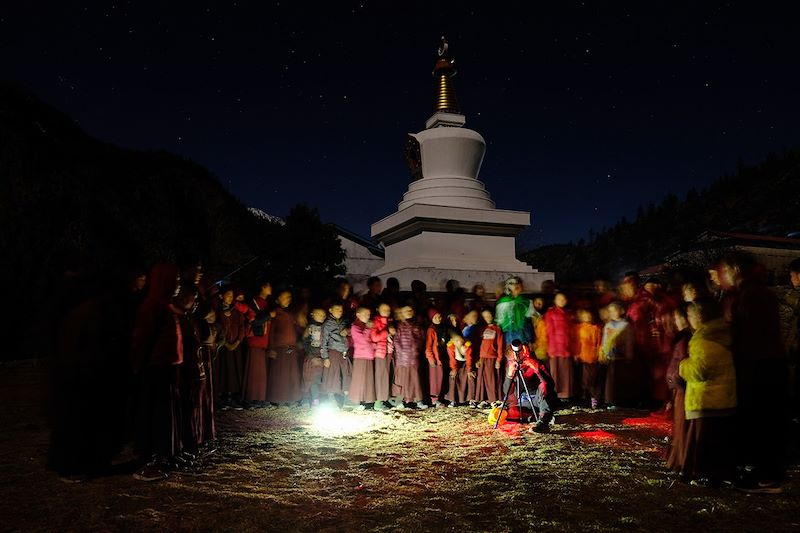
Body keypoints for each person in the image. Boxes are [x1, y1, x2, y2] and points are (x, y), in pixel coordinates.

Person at [719, 252, 788, 492]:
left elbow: (746, 331)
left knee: (760, 420)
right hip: (767, 361)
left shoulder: (749, 295)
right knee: (764, 420)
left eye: (724, 271)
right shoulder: (758, 292)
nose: (721, 276)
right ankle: (766, 472)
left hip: (757, 364)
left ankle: (766, 477)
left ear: (735, 270)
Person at [129, 263, 184, 481]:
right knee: (156, 415)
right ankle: (150, 460)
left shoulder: (165, 305)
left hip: (167, 371)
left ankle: (164, 456)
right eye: (175, 280)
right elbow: (142, 340)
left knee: (166, 415)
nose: (178, 285)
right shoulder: (152, 306)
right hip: (156, 371)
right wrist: (137, 367)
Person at [679, 299, 737, 487]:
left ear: (699, 316)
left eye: (690, 315)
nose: (688, 320)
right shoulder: (722, 334)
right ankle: (718, 473)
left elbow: (699, 370)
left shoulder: (703, 340)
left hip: (705, 399)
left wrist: (682, 365)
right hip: (723, 398)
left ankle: (706, 474)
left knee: (705, 442)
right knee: (720, 441)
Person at [503, 340, 558, 433]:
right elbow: (507, 391)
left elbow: (550, 384)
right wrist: (509, 376)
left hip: (539, 399)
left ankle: (543, 422)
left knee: (543, 385)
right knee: (507, 413)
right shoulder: (513, 366)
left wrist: (537, 370)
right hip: (524, 402)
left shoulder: (536, 363)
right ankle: (535, 417)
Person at [666, 305, 691, 474]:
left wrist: (675, 381)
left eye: (676, 318)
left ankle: (682, 461)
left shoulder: (684, 340)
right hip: (678, 387)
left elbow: (680, 362)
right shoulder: (682, 338)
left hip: (682, 388)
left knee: (682, 426)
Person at [267, 290, 302, 405]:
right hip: (279, 348)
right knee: (280, 375)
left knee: (291, 374)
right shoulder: (276, 313)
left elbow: (296, 329)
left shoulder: (291, 314)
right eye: (285, 297)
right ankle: (278, 399)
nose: (288, 299)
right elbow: (271, 332)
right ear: (278, 299)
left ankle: (291, 398)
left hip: (291, 347)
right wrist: (271, 348)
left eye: (289, 297)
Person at [241, 280, 273, 407]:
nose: (271, 288)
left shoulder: (266, 303)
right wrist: (269, 315)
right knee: (255, 370)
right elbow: (254, 320)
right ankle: (251, 398)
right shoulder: (254, 302)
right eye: (269, 285)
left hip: (264, 341)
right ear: (263, 286)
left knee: (261, 371)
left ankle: (260, 397)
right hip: (256, 340)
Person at [599, 302, 636, 409]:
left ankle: (620, 400)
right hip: (611, 356)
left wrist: (629, 354)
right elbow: (605, 340)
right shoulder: (608, 325)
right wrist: (603, 353)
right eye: (610, 311)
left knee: (619, 379)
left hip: (621, 356)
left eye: (614, 310)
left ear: (621, 311)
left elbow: (629, 341)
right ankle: (611, 400)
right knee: (610, 380)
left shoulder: (625, 325)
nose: (612, 313)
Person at [215, 287, 246, 410]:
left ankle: (231, 397)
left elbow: (241, 327)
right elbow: (217, 328)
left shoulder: (236, 312)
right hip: (223, 347)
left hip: (235, 346)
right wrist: (226, 343)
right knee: (224, 371)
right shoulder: (217, 311)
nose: (230, 298)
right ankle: (221, 398)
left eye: (232, 296)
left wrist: (237, 341)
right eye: (228, 295)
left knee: (234, 371)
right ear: (221, 296)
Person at [391, 305, 426, 409]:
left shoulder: (416, 325)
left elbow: (421, 338)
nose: (409, 312)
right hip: (402, 359)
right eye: (406, 311)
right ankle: (401, 400)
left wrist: (416, 347)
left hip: (413, 357)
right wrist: (401, 351)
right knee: (402, 379)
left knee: (415, 379)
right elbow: (396, 340)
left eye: (411, 310)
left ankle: (418, 400)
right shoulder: (399, 326)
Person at [320, 302, 351, 405]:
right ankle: (331, 398)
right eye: (337, 309)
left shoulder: (344, 322)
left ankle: (346, 399)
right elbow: (323, 341)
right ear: (330, 310)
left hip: (344, 352)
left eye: (341, 310)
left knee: (345, 374)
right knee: (332, 376)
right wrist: (325, 357)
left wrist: (347, 330)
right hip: (333, 352)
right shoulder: (327, 324)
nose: (339, 312)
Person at [545, 292, 574, 400]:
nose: (561, 301)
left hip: (565, 346)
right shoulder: (550, 313)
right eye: (559, 299)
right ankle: (555, 394)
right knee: (555, 372)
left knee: (565, 371)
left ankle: (566, 394)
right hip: (554, 346)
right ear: (555, 301)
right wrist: (549, 347)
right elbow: (548, 331)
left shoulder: (568, 314)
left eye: (563, 299)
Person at [495, 277, 535, 350]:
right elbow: (499, 321)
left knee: (524, 357)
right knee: (510, 357)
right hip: (508, 334)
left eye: (518, 284)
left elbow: (530, 320)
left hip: (523, 334)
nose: (516, 286)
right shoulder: (503, 302)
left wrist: (531, 340)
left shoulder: (526, 301)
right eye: (513, 284)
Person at [348, 307, 377, 408]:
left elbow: (370, 341)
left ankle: (366, 401)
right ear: (358, 314)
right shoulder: (355, 327)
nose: (367, 317)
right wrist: (368, 329)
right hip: (360, 356)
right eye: (365, 314)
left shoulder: (364, 326)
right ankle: (356, 401)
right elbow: (363, 341)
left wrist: (374, 346)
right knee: (359, 379)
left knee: (367, 379)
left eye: (368, 314)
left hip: (368, 356)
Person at [573, 309, 601, 409]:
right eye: (585, 316)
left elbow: (598, 343)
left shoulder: (596, 328)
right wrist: (575, 354)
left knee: (592, 379)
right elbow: (576, 342)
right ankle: (585, 399)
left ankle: (594, 398)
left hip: (592, 357)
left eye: (589, 316)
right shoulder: (578, 328)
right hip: (581, 357)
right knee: (583, 380)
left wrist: (598, 354)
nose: (588, 318)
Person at [475, 309, 503, 407]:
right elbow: (479, 345)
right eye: (485, 316)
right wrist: (478, 359)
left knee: (491, 380)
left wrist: (499, 359)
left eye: (489, 315)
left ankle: (493, 399)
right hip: (482, 357)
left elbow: (500, 345)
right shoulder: (481, 329)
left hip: (492, 357)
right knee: (482, 380)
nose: (487, 318)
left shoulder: (497, 329)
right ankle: (483, 399)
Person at [370, 303, 395, 410]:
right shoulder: (376, 321)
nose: (386, 311)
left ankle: (384, 399)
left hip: (389, 352)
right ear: (378, 309)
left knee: (386, 376)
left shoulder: (390, 322)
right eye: (384, 309)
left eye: (388, 310)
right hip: (380, 353)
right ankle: (378, 402)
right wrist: (386, 332)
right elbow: (374, 337)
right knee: (380, 377)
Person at [302, 308, 327, 407]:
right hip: (312, 357)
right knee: (311, 378)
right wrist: (312, 357)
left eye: (323, 315)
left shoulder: (325, 328)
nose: (322, 317)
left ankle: (319, 398)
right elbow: (305, 342)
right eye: (319, 314)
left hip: (322, 357)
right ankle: (311, 399)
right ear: (313, 314)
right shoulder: (310, 328)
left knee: (320, 379)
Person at [424, 309, 448, 408]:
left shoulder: (442, 328)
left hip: (441, 356)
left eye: (440, 316)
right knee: (435, 380)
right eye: (436, 317)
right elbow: (428, 345)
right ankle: (434, 400)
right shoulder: (431, 330)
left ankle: (440, 398)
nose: (439, 319)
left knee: (440, 378)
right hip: (435, 358)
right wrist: (430, 357)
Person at [445, 332, 475, 407]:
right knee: (452, 377)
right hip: (456, 365)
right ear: (452, 341)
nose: (459, 342)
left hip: (467, 364)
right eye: (456, 341)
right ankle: (453, 400)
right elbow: (452, 359)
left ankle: (471, 400)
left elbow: (469, 358)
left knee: (470, 377)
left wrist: (469, 371)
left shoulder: (467, 345)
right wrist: (454, 369)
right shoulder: (450, 346)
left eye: (460, 340)